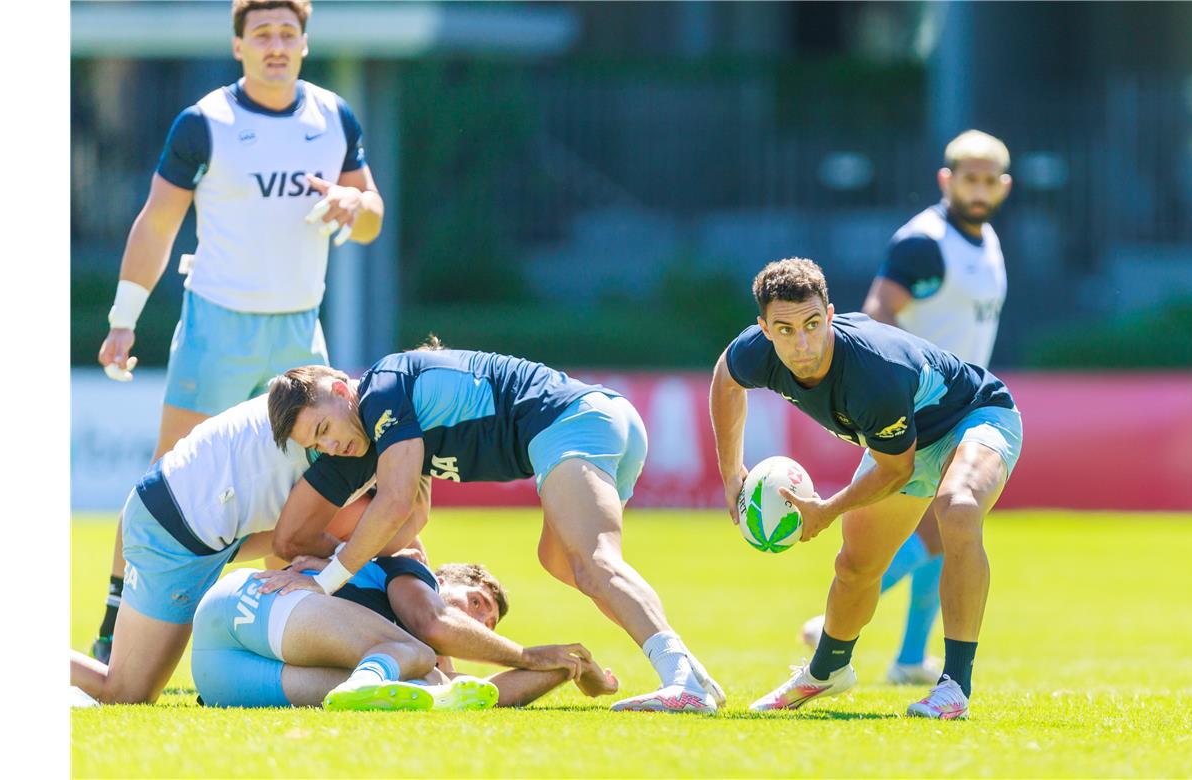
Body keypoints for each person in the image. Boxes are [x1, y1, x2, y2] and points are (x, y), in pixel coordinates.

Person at [87, 0, 385, 664]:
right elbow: (158, 223)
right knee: (165, 482)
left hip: (299, 335)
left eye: (288, 33)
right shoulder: (205, 122)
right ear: (239, 46)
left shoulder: (333, 116)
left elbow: (372, 217)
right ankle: (113, 628)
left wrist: (354, 204)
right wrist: (122, 321)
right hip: (215, 326)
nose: (276, 44)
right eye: (262, 34)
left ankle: (301, 618)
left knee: (329, 487)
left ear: (304, 44)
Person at [255, 348, 727, 713]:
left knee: (594, 561)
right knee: (564, 562)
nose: (331, 445)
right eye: (316, 443)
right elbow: (411, 520)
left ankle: (681, 679)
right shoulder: (385, 422)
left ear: (341, 390)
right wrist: (336, 562)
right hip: (598, 420)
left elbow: (396, 505)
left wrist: (327, 577)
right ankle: (692, 674)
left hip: (572, 420)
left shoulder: (380, 391)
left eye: (323, 428)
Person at [710, 258, 1022, 719]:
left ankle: (954, 687)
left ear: (830, 315)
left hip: (975, 417)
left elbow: (897, 470)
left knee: (955, 509)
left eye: (813, 324)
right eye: (785, 330)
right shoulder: (756, 351)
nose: (802, 343)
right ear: (764, 328)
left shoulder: (873, 372)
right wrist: (731, 472)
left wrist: (826, 510)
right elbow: (725, 378)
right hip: (903, 443)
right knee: (855, 565)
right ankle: (827, 672)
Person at [801, 129, 1013, 685]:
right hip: (920, 406)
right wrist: (893, 392)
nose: (979, 189)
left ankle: (911, 658)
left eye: (990, 180)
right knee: (937, 528)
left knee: (944, 526)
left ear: (1004, 186)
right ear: (947, 179)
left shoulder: (984, 238)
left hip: (962, 406)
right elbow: (877, 314)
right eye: (969, 178)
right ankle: (830, 625)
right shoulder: (925, 242)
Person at [68, 389, 411, 705]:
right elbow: (297, 540)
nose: (330, 445)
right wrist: (358, 561)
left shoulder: (328, 404)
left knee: (328, 543)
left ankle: (270, 660)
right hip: (172, 530)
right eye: (319, 435)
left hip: (210, 522)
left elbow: (390, 517)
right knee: (125, 693)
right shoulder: (341, 416)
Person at [192, 556, 620, 710]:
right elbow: (431, 623)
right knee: (414, 656)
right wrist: (528, 655)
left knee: (430, 689)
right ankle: (365, 681)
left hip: (222, 678)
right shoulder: (412, 571)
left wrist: (571, 666)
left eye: (485, 625)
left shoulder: (427, 659)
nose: (475, 622)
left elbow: (483, 695)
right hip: (244, 603)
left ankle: (363, 684)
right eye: (475, 602)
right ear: (441, 578)